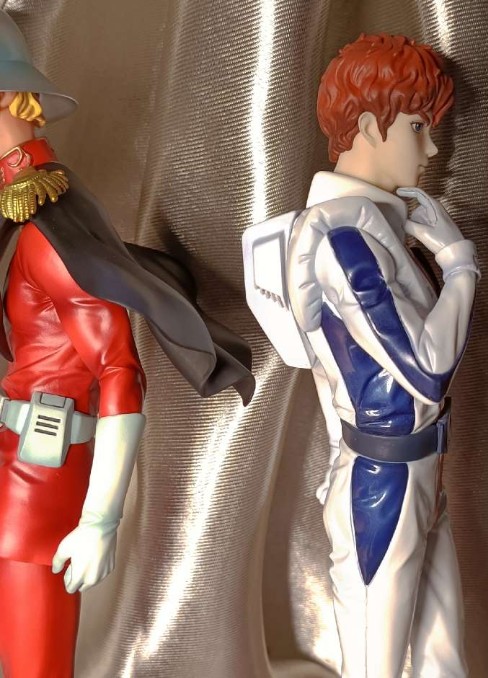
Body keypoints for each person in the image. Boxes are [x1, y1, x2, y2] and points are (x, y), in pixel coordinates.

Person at [0, 9, 254, 678]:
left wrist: (100, 519)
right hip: (16, 461)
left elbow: (118, 370)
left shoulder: (49, 229)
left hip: (39, 475)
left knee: (34, 662)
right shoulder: (25, 211)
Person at [244, 33, 479, 677]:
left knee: (441, 656)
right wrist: (460, 265)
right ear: (372, 126)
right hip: (384, 482)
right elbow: (426, 370)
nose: (431, 149)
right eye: (418, 127)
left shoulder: (374, 228)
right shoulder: (343, 237)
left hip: (413, 471)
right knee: (376, 661)